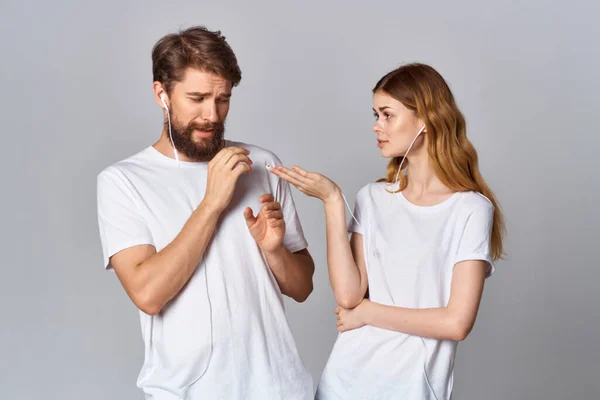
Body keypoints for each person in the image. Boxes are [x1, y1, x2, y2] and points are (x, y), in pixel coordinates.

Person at [96, 26, 315, 400]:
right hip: (185, 393)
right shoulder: (122, 181)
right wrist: (212, 203)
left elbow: (302, 287)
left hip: (281, 388)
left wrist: (275, 251)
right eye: (196, 98)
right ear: (161, 94)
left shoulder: (260, 164)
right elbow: (148, 293)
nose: (211, 115)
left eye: (222, 99)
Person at [270, 63, 505, 400]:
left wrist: (368, 313)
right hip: (344, 381)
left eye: (387, 114)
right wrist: (333, 202)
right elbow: (349, 296)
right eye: (376, 114)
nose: (376, 126)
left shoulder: (470, 209)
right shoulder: (371, 198)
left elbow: (456, 323)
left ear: (424, 119)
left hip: (411, 388)